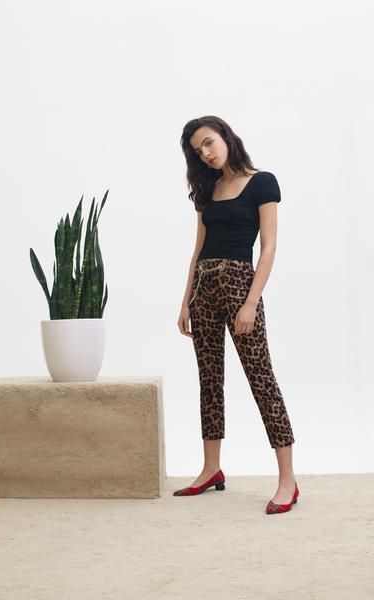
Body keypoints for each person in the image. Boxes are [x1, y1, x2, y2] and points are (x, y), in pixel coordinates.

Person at [174, 115, 299, 514]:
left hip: (239, 284)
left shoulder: (263, 182)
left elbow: (269, 247)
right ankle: (212, 469)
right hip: (204, 290)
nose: (206, 154)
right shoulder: (206, 191)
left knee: (261, 378)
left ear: (226, 137)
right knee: (209, 380)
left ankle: (288, 481)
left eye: (209, 143)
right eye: (198, 151)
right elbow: (197, 249)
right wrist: (185, 299)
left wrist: (250, 302)